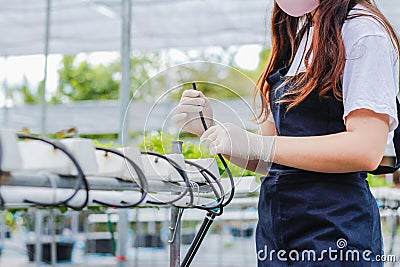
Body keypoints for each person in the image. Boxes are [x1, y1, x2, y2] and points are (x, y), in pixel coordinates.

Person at [173, 0, 400, 266]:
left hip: (335, 231)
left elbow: (365, 149)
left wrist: (259, 145)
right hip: (278, 230)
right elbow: (270, 161)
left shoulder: (363, 30)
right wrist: (210, 130)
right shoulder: (300, 34)